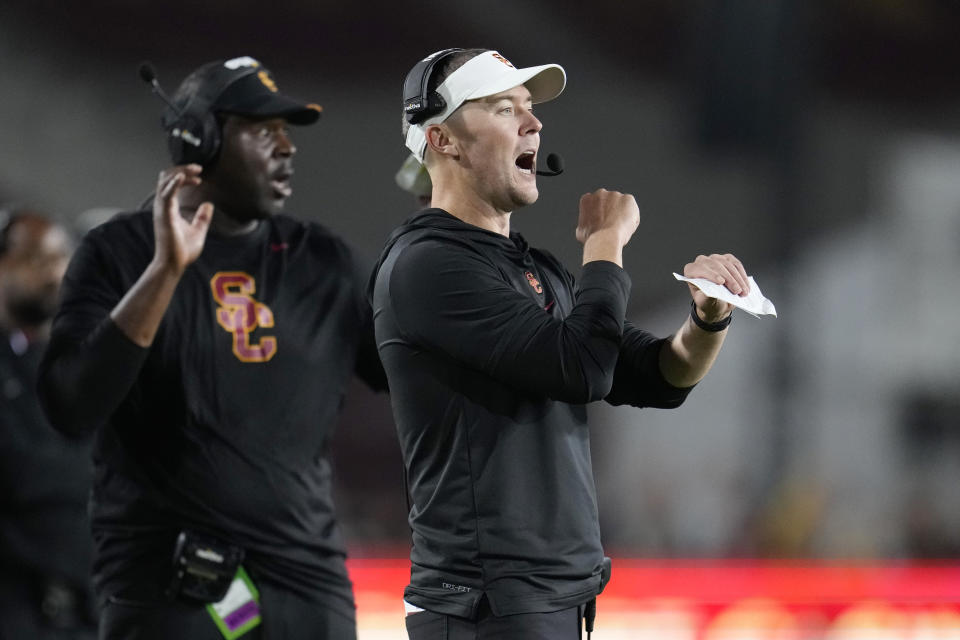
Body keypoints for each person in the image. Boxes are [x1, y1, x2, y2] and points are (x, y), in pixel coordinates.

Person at [371, 48, 755, 639]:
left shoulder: (532, 267)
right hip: (484, 609)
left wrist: (708, 318)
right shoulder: (428, 266)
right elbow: (581, 370)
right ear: (443, 140)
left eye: (529, 108)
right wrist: (605, 242)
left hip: (546, 603)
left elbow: (659, 377)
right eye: (505, 108)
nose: (534, 123)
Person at [38, 57, 385, 640]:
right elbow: (71, 406)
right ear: (198, 138)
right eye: (263, 129)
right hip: (170, 586)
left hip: (306, 584)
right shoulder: (117, 252)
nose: (287, 147)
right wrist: (164, 273)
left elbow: (417, 375)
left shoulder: (323, 261)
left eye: (287, 131)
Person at [0, 208, 97, 639]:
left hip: (84, 614)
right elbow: (19, 474)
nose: (54, 271)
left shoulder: (73, 366)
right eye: (37, 258)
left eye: (60, 258)